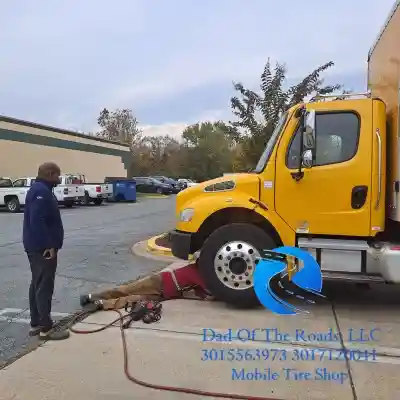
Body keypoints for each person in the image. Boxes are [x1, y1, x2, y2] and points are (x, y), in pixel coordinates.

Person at [23, 162, 70, 340]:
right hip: (42, 248)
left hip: (37, 246)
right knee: (44, 286)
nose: (59, 178)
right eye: (58, 175)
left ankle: (36, 323)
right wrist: (49, 245)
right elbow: (37, 220)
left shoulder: (40, 189)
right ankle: (46, 328)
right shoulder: (41, 192)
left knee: (37, 282)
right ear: (50, 174)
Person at [80, 262, 214, 311]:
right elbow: (211, 289)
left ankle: (101, 304)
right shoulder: (196, 270)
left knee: (134, 299)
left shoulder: (200, 276)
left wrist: (204, 296)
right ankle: (91, 296)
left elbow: (201, 291)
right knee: (126, 290)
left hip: (164, 294)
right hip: (158, 281)